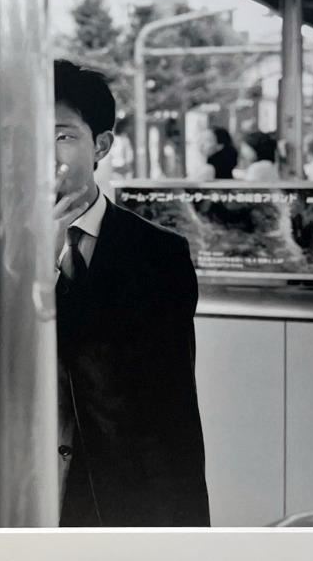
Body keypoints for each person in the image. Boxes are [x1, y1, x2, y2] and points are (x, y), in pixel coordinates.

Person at [51, 60, 210, 526]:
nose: (42, 153)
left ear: (101, 145)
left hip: (110, 503)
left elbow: (171, 414)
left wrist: (185, 533)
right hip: (15, 501)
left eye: (63, 136)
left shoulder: (158, 255)